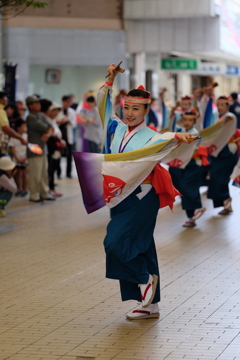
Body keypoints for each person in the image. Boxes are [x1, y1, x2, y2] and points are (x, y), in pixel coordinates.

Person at [97, 63, 193, 320]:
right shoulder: (115, 128)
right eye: (127, 107)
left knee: (115, 242)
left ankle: (144, 279)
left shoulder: (152, 136)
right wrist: (110, 79)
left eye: (135, 108)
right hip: (119, 196)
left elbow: (166, 140)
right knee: (142, 247)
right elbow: (103, 107)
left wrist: (178, 137)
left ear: (146, 111)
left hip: (141, 197)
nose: (129, 113)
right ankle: (150, 305)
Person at [168, 110, 206, 227]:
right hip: (182, 163)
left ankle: (197, 208)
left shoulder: (193, 133)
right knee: (181, 187)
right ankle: (191, 216)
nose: (187, 122)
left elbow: (185, 143)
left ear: (194, 122)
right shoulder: (181, 131)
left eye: (190, 120)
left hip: (192, 164)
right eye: (185, 120)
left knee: (187, 186)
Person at [207, 96, 238, 215]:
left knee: (221, 179)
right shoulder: (218, 117)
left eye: (222, 105)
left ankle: (227, 202)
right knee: (216, 178)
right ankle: (226, 203)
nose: (220, 107)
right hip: (218, 151)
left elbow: (230, 120)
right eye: (218, 104)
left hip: (227, 152)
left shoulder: (230, 116)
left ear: (227, 106)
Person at [26, 95, 55, 202]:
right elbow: (45, 127)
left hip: (43, 148)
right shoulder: (30, 117)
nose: (39, 105)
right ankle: (34, 195)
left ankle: (44, 193)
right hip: (34, 148)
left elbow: (50, 127)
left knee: (43, 173)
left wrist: (47, 134)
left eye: (39, 103)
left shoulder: (41, 115)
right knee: (35, 174)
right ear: (30, 106)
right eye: (36, 103)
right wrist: (49, 131)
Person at [0, 91, 28, 157]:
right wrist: (21, 138)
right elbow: (6, 129)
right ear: (1, 99)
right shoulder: (1, 111)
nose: (7, 99)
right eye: (5, 97)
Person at [47, 102, 65, 197]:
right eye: (54, 111)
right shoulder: (48, 121)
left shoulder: (53, 121)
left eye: (57, 112)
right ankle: (49, 189)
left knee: (53, 168)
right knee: (50, 169)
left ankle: (52, 188)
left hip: (56, 148)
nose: (56, 114)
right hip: (51, 148)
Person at [57, 95, 77, 178]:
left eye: (69, 102)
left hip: (68, 136)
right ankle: (58, 173)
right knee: (58, 155)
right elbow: (55, 121)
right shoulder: (58, 110)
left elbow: (74, 124)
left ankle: (68, 173)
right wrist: (60, 121)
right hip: (60, 136)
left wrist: (68, 121)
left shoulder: (72, 111)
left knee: (69, 155)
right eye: (66, 102)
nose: (67, 104)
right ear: (63, 101)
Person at [9, 119, 28, 197]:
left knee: (25, 174)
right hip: (16, 159)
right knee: (18, 175)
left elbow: (29, 148)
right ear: (18, 127)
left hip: (25, 159)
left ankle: (25, 189)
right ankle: (19, 189)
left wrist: (25, 158)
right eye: (23, 127)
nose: (25, 128)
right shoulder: (14, 137)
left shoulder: (27, 136)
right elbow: (12, 148)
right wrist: (17, 158)